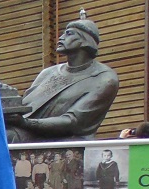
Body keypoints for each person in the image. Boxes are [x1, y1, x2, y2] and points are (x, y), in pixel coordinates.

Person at [6, 13, 119, 142]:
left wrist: (26, 123)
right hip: (24, 131)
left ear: (85, 40)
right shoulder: (48, 73)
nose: (61, 37)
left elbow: (73, 122)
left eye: (69, 34)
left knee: (6, 138)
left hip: (63, 140)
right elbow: (26, 105)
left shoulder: (104, 79)